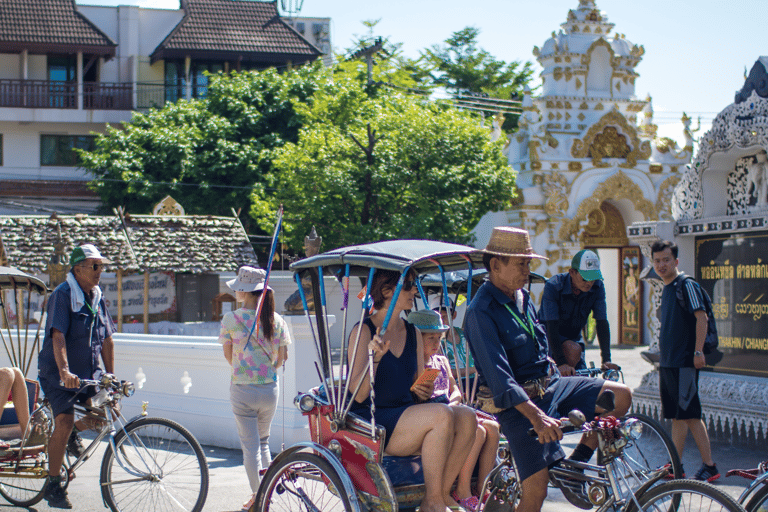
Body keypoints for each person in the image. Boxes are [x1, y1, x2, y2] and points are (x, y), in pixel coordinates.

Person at [464, 227, 632, 512]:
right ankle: (555, 470)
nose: (528, 270)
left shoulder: (523, 297)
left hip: (551, 386)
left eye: (529, 263)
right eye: (522, 263)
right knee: (536, 494)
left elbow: (541, 343)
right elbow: (501, 381)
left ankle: (576, 464)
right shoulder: (480, 312)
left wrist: (561, 366)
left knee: (621, 396)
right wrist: (538, 418)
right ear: (495, 265)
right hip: (517, 407)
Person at [349, 269, 477, 512]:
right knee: (441, 414)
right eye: (408, 285)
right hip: (374, 422)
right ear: (387, 291)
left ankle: (435, 497)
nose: (414, 291)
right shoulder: (363, 331)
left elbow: (417, 392)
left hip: (408, 414)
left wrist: (424, 389)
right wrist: (373, 359)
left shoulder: (413, 332)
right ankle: (436, 503)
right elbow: (359, 395)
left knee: (468, 417)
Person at [38, 244, 116, 509]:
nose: (99, 271)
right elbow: (57, 335)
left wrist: (111, 376)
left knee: (109, 413)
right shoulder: (62, 295)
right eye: (95, 266)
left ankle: (72, 434)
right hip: (58, 372)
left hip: (88, 372)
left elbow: (107, 339)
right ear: (77, 268)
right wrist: (64, 372)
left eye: (101, 266)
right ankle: (53, 484)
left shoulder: (97, 296)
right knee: (65, 419)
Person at [409, 309, 500, 512]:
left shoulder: (441, 362)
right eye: (430, 338)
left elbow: (455, 389)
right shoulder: (414, 366)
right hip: (432, 416)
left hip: (451, 408)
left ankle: (483, 487)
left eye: (438, 338)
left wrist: (455, 401)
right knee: (478, 431)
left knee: (493, 427)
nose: (436, 343)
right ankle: (461, 489)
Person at [219, 266, 291, 511]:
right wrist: (266, 368)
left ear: (245, 291)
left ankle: (259, 496)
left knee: (250, 448)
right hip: (270, 389)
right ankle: (266, 489)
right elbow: (282, 358)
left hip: (242, 389)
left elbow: (229, 355)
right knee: (263, 442)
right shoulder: (276, 319)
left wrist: (243, 367)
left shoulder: (231, 319)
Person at [651, 240, 719, 482]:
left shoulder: (685, 284)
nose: (661, 264)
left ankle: (710, 465)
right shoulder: (667, 288)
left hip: (684, 363)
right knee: (677, 416)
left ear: (676, 261)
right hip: (669, 363)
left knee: (690, 414)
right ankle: (674, 466)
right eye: (657, 260)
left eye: (666, 259)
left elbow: (702, 318)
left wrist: (698, 352)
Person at [540, 249, 619, 375]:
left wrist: (606, 360)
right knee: (572, 352)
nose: (589, 284)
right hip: (548, 340)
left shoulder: (597, 287)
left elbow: (601, 322)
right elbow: (551, 326)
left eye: (592, 279)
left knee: (584, 378)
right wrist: (561, 364)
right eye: (585, 279)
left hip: (575, 340)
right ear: (572, 272)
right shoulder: (554, 286)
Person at [429, 295, 476, 387]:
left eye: (445, 316)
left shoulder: (465, 333)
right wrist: (474, 369)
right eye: (438, 317)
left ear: (454, 315)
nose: (442, 320)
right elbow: (443, 372)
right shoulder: (435, 343)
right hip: (456, 384)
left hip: (475, 381)